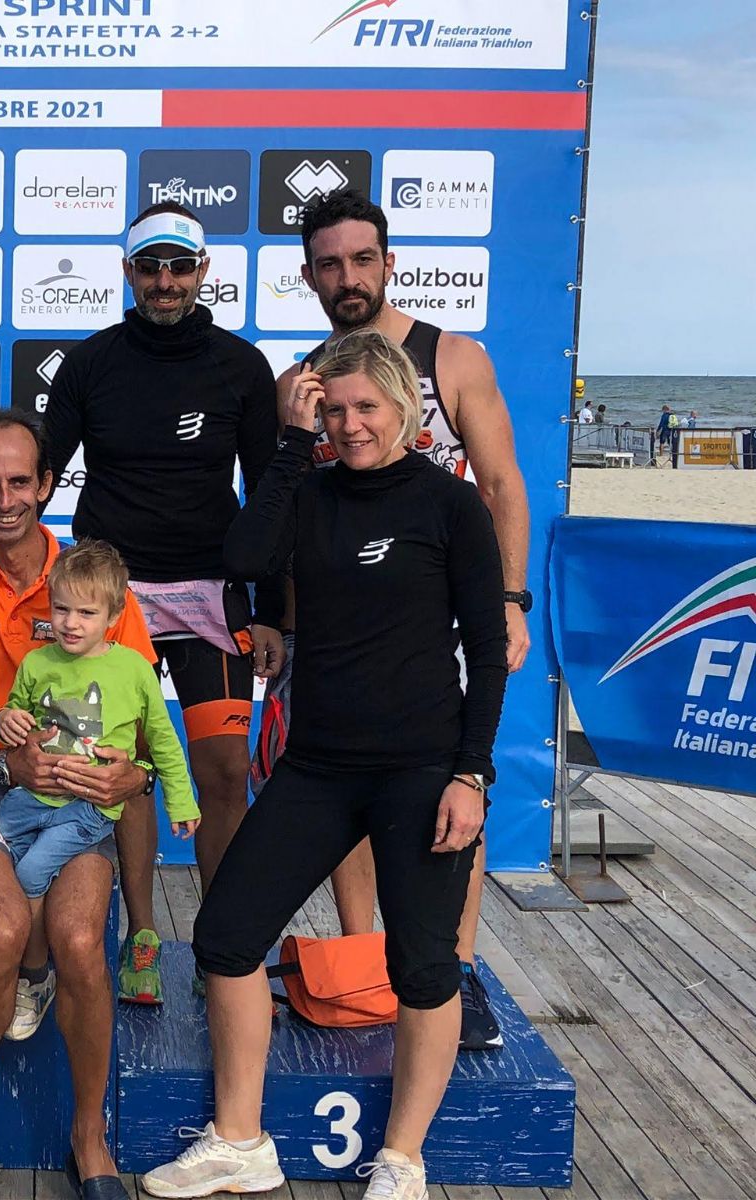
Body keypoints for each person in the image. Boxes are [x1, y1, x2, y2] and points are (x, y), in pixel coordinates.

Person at [142, 328, 507, 1200]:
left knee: (424, 968)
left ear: (404, 408)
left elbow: (489, 654)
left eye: (365, 408)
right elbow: (242, 558)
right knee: (226, 938)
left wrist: (471, 775)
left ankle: (404, 1159)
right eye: (333, 410)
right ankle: (241, 1141)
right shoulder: (308, 490)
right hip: (318, 768)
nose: (350, 425)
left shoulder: (450, 505)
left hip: (422, 769)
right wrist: (291, 443)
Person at [274, 187, 531, 1049]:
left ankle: (455, 970)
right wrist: (285, 626)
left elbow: (500, 485)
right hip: (338, 632)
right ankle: (364, 961)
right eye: (329, 264)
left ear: (389, 264)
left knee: (455, 790)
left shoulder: (451, 356)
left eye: (362, 259)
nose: (347, 277)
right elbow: (288, 519)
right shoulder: (303, 384)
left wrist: (508, 601)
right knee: (343, 790)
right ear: (309, 275)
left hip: (442, 619)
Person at [42, 202, 279, 1006]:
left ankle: (225, 946)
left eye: (180, 266)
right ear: (128, 272)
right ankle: (143, 934)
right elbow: (40, 477)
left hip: (209, 592)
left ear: (203, 271)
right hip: (115, 600)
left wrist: (273, 609)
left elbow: (271, 497)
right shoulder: (90, 363)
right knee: (125, 770)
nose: (165, 281)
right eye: (150, 267)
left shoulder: (240, 366)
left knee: (223, 770)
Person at [0, 411, 156, 1200]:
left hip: (72, 796)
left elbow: (142, 735)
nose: (4, 499)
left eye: (19, 481)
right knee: (2, 926)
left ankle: (90, 1137)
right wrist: (4, 761)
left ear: (48, 484)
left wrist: (134, 777)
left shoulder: (97, 584)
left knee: (81, 939)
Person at [0, 538, 200, 1039]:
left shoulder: (133, 670)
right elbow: (14, 712)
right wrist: (6, 720)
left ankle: (33, 972)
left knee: (28, 873)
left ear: (114, 615)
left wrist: (181, 800)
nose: (71, 623)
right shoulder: (37, 663)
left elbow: (164, 741)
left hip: (87, 809)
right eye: (61, 609)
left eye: (87, 613)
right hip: (31, 799)